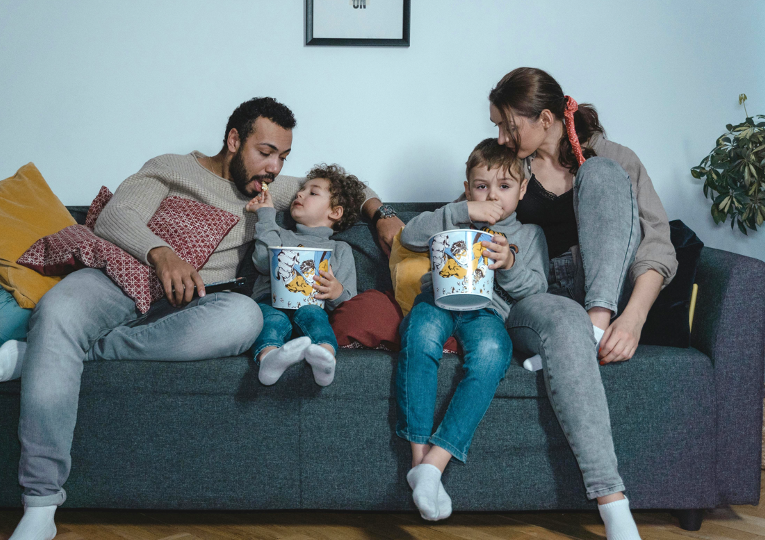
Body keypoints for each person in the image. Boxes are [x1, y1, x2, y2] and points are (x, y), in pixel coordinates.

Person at [0, 97, 404, 540]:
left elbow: (349, 187)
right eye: (265, 152)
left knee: (245, 317)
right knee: (57, 311)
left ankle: (54, 354)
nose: (274, 168)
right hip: (118, 276)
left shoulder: (269, 190)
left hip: (196, 304)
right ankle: (40, 501)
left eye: (283, 157)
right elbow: (117, 214)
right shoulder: (172, 167)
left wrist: (382, 216)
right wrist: (162, 254)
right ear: (233, 140)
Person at [489, 67, 679, 540]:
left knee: (602, 173)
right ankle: (613, 504)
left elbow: (657, 245)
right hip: (539, 297)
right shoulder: (504, 166)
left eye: (509, 125)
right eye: (496, 125)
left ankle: (595, 325)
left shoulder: (615, 159)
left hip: (607, 294)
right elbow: (475, 223)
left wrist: (632, 318)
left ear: (547, 117)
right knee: (563, 321)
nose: (501, 136)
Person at [396, 138, 548, 521]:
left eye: (504, 186)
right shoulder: (454, 216)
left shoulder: (529, 235)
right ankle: (419, 462)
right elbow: (409, 236)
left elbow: (537, 291)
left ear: (523, 189)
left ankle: (434, 464)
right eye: (482, 186)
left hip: (486, 312)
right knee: (419, 338)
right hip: (437, 300)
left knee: (493, 355)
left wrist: (509, 262)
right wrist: (463, 209)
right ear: (468, 188)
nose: (492, 196)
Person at [245, 164, 366, 386]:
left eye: (313, 192)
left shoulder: (339, 250)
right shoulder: (278, 233)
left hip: (311, 306)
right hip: (269, 302)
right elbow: (263, 263)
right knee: (269, 319)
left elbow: (349, 303)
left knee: (315, 317)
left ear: (335, 212)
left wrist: (336, 292)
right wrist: (266, 214)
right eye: (302, 189)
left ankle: (325, 357)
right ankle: (269, 358)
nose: (300, 193)